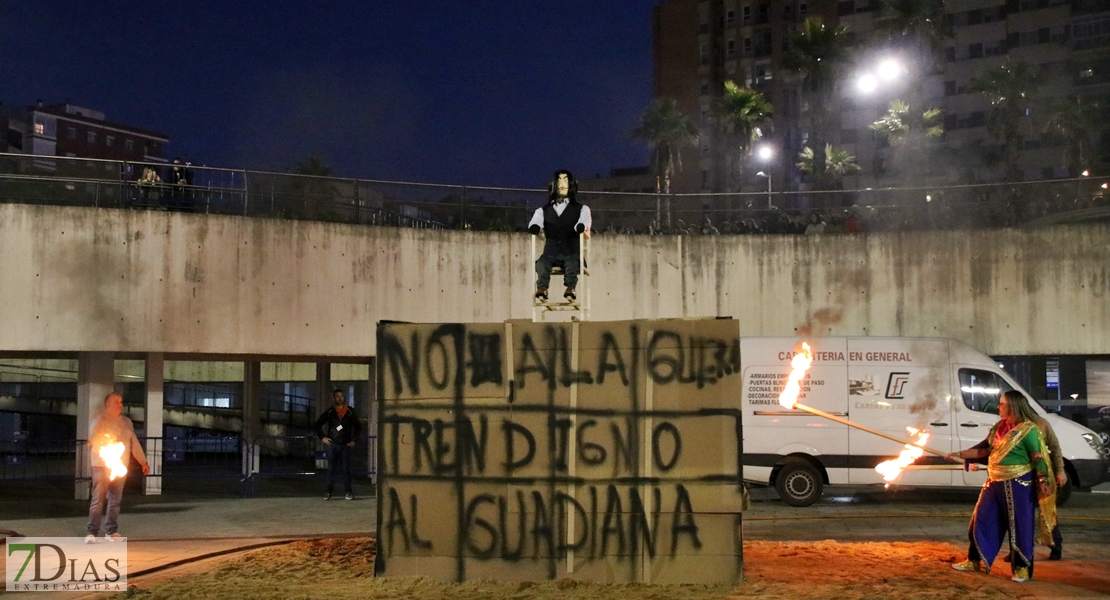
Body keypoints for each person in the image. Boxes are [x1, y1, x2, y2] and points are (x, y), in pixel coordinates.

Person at [946, 391, 1057, 583]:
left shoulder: (1028, 430)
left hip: (1018, 484)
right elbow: (986, 450)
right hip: (994, 481)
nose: (998, 407)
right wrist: (960, 454)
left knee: (1019, 525)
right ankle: (974, 560)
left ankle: (1022, 568)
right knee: (981, 518)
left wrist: (1042, 480)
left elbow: (1037, 457)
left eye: (1002, 404)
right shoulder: (999, 427)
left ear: (1012, 406)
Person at [86, 393, 149, 543]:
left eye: (121, 402)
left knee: (115, 500)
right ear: (108, 404)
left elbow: (134, 443)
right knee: (98, 499)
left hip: (120, 466)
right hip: (101, 466)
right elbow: (94, 439)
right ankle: (92, 532)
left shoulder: (126, 422)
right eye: (117, 402)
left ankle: (111, 531)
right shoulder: (100, 420)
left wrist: (143, 462)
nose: (120, 404)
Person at [528, 169, 592, 301]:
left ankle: (570, 288)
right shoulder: (543, 210)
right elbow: (535, 221)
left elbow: (584, 221)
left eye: (565, 180)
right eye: (559, 180)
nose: (562, 184)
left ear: (571, 185)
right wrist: (534, 227)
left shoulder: (582, 209)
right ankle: (542, 288)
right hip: (551, 251)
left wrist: (580, 226)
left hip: (571, 250)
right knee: (542, 262)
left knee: (572, 262)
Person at [314, 389, 360, 500]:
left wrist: (354, 440)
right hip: (332, 444)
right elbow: (318, 424)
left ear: (344, 397)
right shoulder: (330, 412)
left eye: (341, 396)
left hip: (346, 445)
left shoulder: (350, 412)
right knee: (331, 469)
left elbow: (358, 427)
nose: (339, 398)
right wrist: (323, 437)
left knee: (346, 469)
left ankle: (348, 492)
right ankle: (328, 492)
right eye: (337, 396)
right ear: (334, 398)